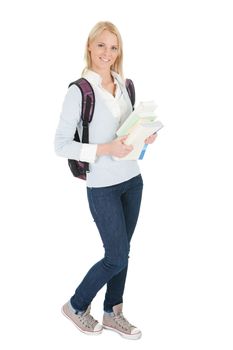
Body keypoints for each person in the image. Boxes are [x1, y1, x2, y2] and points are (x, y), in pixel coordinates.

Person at [54, 21, 157, 340]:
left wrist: (143, 136)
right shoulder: (79, 91)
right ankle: (76, 304)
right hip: (102, 186)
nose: (107, 53)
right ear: (89, 47)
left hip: (132, 180)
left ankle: (113, 312)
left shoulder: (123, 83)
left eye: (113, 47)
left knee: (123, 252)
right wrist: (104, 149)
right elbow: (60, 144)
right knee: (115, 255)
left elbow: (126, 129)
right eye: (101, 45)